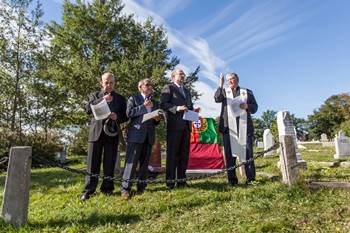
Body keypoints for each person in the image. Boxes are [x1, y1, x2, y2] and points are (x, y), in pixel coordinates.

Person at [81, 72, 128, 200]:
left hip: (111, 133)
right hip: (95, 133)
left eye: (111, 82)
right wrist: (102, 100)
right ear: (101, 83)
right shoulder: (95, 95)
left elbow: (125, 116)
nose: (109, 85)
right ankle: (88, 190)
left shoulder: (120, 98)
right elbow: (87, 109)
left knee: (109, 162)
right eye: (106, 82)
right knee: (92, 163)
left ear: (114, 83)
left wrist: (117, 116)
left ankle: (107, 188)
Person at [214, 72, 258, 185]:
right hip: (228, 128)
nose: (230, 81)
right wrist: (221, 84)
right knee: (230, 156)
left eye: (232, 79)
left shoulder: (246, 92)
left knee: (248, 154)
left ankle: (251, 179)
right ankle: (232, 180)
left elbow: (255, 107)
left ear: (237, 79)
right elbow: (217, 98)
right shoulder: (224, 92)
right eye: (228, 80)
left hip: (244, 126)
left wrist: (247, 106)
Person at [120, 78, 161, 199]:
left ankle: (141, 187)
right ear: (140, 87)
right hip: (135, 135)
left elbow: (155, 121)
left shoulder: (155, 102)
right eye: (147, 85)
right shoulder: (134, 98)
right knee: (131, 163)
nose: (149, 87)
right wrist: (143, 107)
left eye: (150, 85)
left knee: (144, 164)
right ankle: (125, 189)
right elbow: (129, 113)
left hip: (149, 136)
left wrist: (157, 119)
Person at [161, 68, 199, 189]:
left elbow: (189, 106)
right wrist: (177, 108)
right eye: (180, 74)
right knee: (172, 155)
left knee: (184, 155)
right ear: (173, 77)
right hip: (174, 126)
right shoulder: (169, 88)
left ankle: (182, 181)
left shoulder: (187, 91)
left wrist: (194, 111)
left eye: (183, 74)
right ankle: (170, 183)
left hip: (186, 127)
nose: (182, 75)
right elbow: (164, 104)